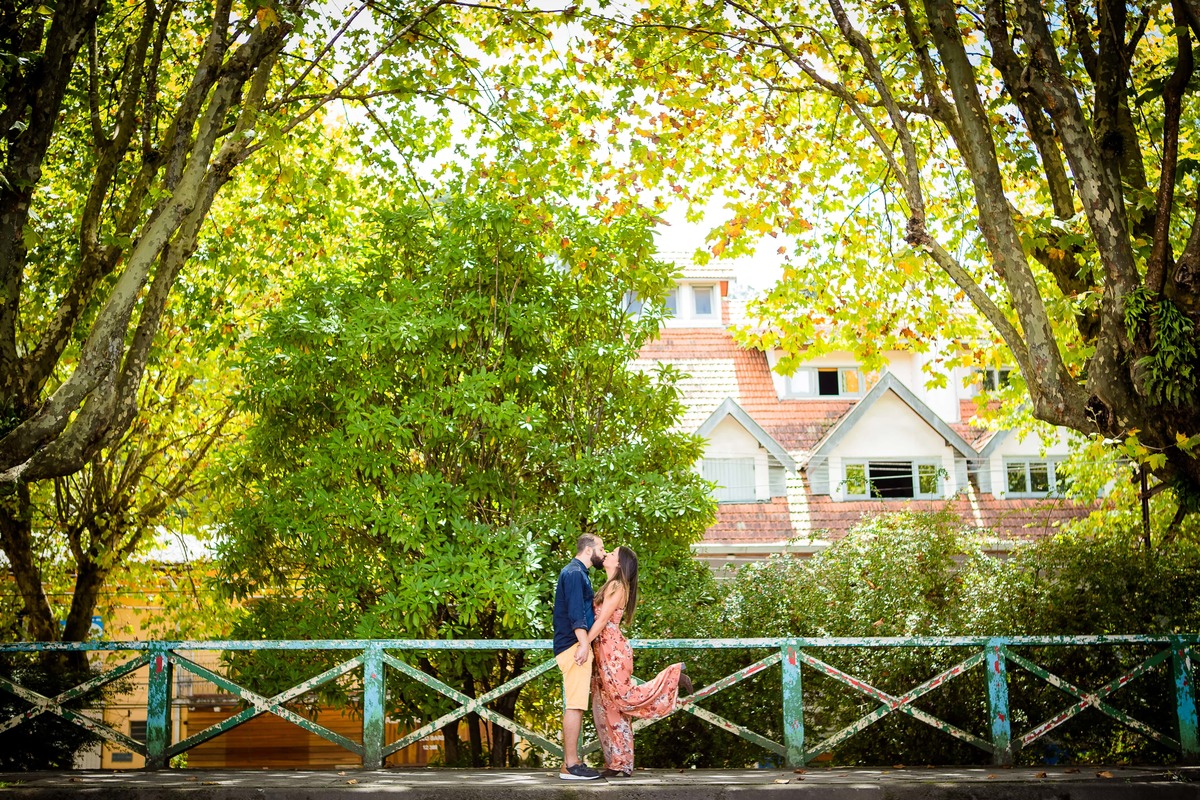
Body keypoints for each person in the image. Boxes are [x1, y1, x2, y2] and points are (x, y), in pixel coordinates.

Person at [585, 546, 694, 778]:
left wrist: (583, 644)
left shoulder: (617, 586)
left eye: (612, 554)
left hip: (611, 649)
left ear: (619, 563)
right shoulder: (611, 585)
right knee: (608, 706)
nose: (607, 555)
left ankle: (673, 676)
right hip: (603, 649)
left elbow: (602, 621)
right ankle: (619, 763)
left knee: (622, 698)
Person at [552, 533, 606, 780]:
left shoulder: (577, 573)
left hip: (574, 644)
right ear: (588, 550)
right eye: (601, 549)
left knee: (577, 705)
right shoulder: (574, 573)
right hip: (574, 646)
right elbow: (576, 613)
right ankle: (571, 765)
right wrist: (584, 644)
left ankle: (571, 763)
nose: (603, 553)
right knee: (575, 706)